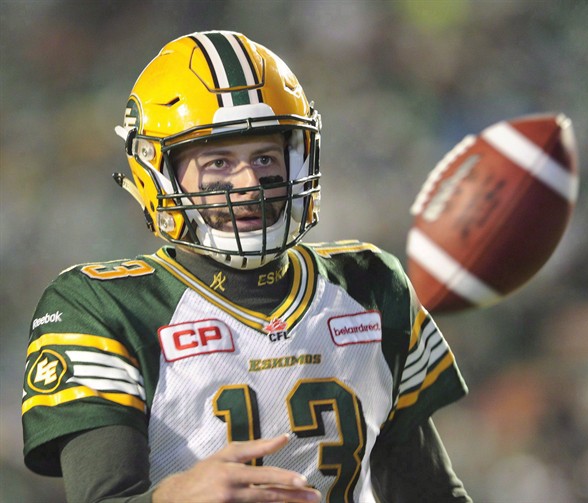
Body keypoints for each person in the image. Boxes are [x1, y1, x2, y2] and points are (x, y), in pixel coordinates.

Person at [21, 30, 472, 502]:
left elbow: (431, 493)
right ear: (157, 171)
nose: (249, 180)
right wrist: (176, 498)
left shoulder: (371, 285)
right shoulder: (102, 306)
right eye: (218, 162)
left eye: (264, 156)